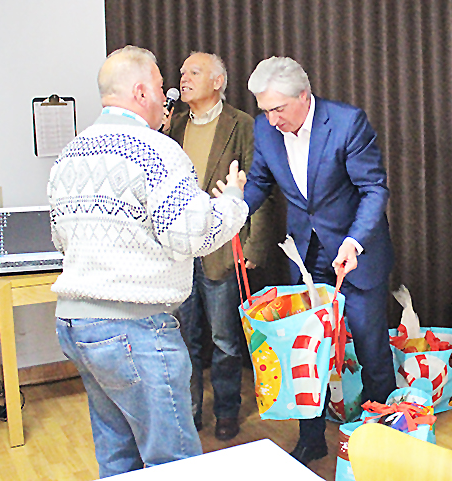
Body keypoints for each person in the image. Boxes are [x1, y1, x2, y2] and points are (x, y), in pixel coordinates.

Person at [48, 45, 248, 478]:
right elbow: (193, 234)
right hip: (133, 329)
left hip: (76, 327)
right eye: (160, 87)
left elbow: (61, 237)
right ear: (140, 92)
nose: (168, 94)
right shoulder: (157, 151)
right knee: (171, 463)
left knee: (117, 456)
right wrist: (232, 201)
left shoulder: (69, 156)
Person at [243, 56, 395, 465]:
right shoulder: (265, 128)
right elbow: (259, 181)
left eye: (278, 109)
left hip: (354, 254)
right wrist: (232, 212)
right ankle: (312, 440)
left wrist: (355, 241)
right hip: (306, 255)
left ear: (304, 96)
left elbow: (373, 189)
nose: (272, 120)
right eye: (265, 110)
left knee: (370, 348)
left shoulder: (347, 123)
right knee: (304, 356)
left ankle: (381, 439)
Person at [165, 51, 273, 441]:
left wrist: (254, 249)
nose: (183, 77)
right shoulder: (172, 127)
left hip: (223, 252)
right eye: (182, 72)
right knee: (183, 338)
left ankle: (227, 410)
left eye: (193, 72)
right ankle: (190, 410)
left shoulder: (242, 125)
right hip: (179, 252)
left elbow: (259, 189)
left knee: (224, 339)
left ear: (217, 82)